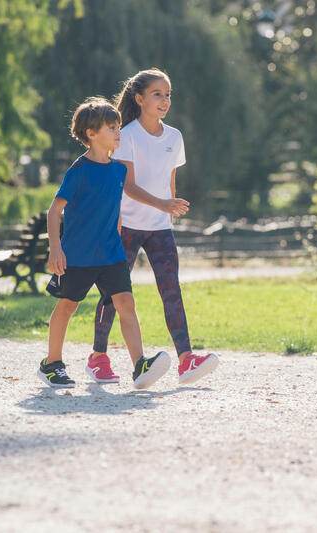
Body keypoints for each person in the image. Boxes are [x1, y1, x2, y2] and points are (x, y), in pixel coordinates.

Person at [88, 68, 219, 386]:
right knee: (113, 294)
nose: (164, 100)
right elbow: (128, 185)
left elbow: (169, 178)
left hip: (160, 228)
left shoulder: (174, 137)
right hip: (127, 226)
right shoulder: (127, 134)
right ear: (139, 99)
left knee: (171, 291)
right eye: (157, 94)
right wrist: (163, 204)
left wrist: (169, 207)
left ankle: (186, 360)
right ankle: (98, 357)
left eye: (168, 94)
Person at [37, 96, 173, 390]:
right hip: (78, 255)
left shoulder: (118, 170)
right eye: (112, 128)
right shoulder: (79, 171)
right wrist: (56, 249)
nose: (118, 133)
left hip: (111, 253)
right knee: (67, 307)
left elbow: (115, 209)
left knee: (126, 303)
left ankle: (140, 366)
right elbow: (54, 210)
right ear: (91, 134)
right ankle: (52, 364)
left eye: (118, 127)